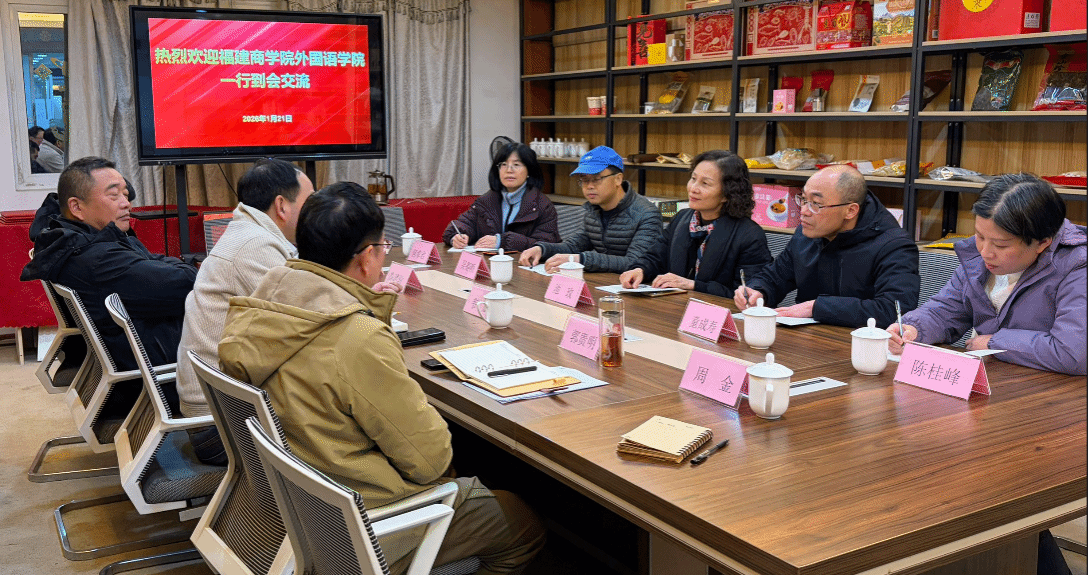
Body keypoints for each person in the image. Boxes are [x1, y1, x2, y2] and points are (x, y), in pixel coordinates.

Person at [218, 183, 545, 575]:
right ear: (366, 257)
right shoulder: (356, 338)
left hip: (293, 506)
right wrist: (372, 333)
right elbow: (431, 462)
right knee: (520, 519)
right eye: (383, 247)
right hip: (359, 525)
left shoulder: (265, 300)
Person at [175, 159, 314, 465]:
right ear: (282, 206)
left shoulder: (251, 234)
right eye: (309, 202)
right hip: (220, 426)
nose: (315, 213)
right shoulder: (255, 246)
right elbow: (308, 322)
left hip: (223, 407)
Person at [888, 174, 1086, 376]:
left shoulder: (1078, 267)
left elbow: (1074, 353)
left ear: (1042, 242)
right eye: (980, 236)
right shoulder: (978, 259)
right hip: (993, 380)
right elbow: (946, 311)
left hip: (1052, 390)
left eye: (1001, 245)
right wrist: (914, 328)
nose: (985, 252)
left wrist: (994, 343)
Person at [21, 156, 196, 371]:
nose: (126, 203)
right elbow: (187, 283)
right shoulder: (97, 259)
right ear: (76, 207)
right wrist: (181, 266)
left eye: (125, 194)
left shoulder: (72, 240)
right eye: (114, 195)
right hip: (164, 372)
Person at [733, 165, 919, 328]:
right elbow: (775, 276)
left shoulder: (894, 245)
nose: (804, 211)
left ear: (850, 210)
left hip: (861, 345)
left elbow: (894, 310)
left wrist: (815, 308)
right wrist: (757, 290)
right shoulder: (806, 234)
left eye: (816, 204)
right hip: (808, 339)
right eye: (803, 200)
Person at [619, 150, 772, 296]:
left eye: (705, 183)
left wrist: (693, 285)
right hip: (675, 307)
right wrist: (640, 270)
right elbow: (655, 257)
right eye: (693, 179)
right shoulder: (682, 218)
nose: (693, 188)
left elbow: (748, 294)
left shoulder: (749, 235)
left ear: (727, 194)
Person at [518, 145, 666, 274]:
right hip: (605, 284)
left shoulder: (647, 214)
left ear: (618, 179)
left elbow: (635, 263)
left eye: (596, 179)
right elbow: (573, 246)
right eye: (584, 180)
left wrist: (581, 259)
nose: (589, 186)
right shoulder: (594, 210)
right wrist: (542, 249)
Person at [442, 142, 559, 251]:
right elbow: (462, 225)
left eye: (516, 164)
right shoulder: (486, 201)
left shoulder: (542, 205)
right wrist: (456, 237)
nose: (509, 170)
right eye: (503, 164)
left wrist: (502, 241)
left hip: (524, 264)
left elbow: (546, 245)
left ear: (529, 171)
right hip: (488, 263)